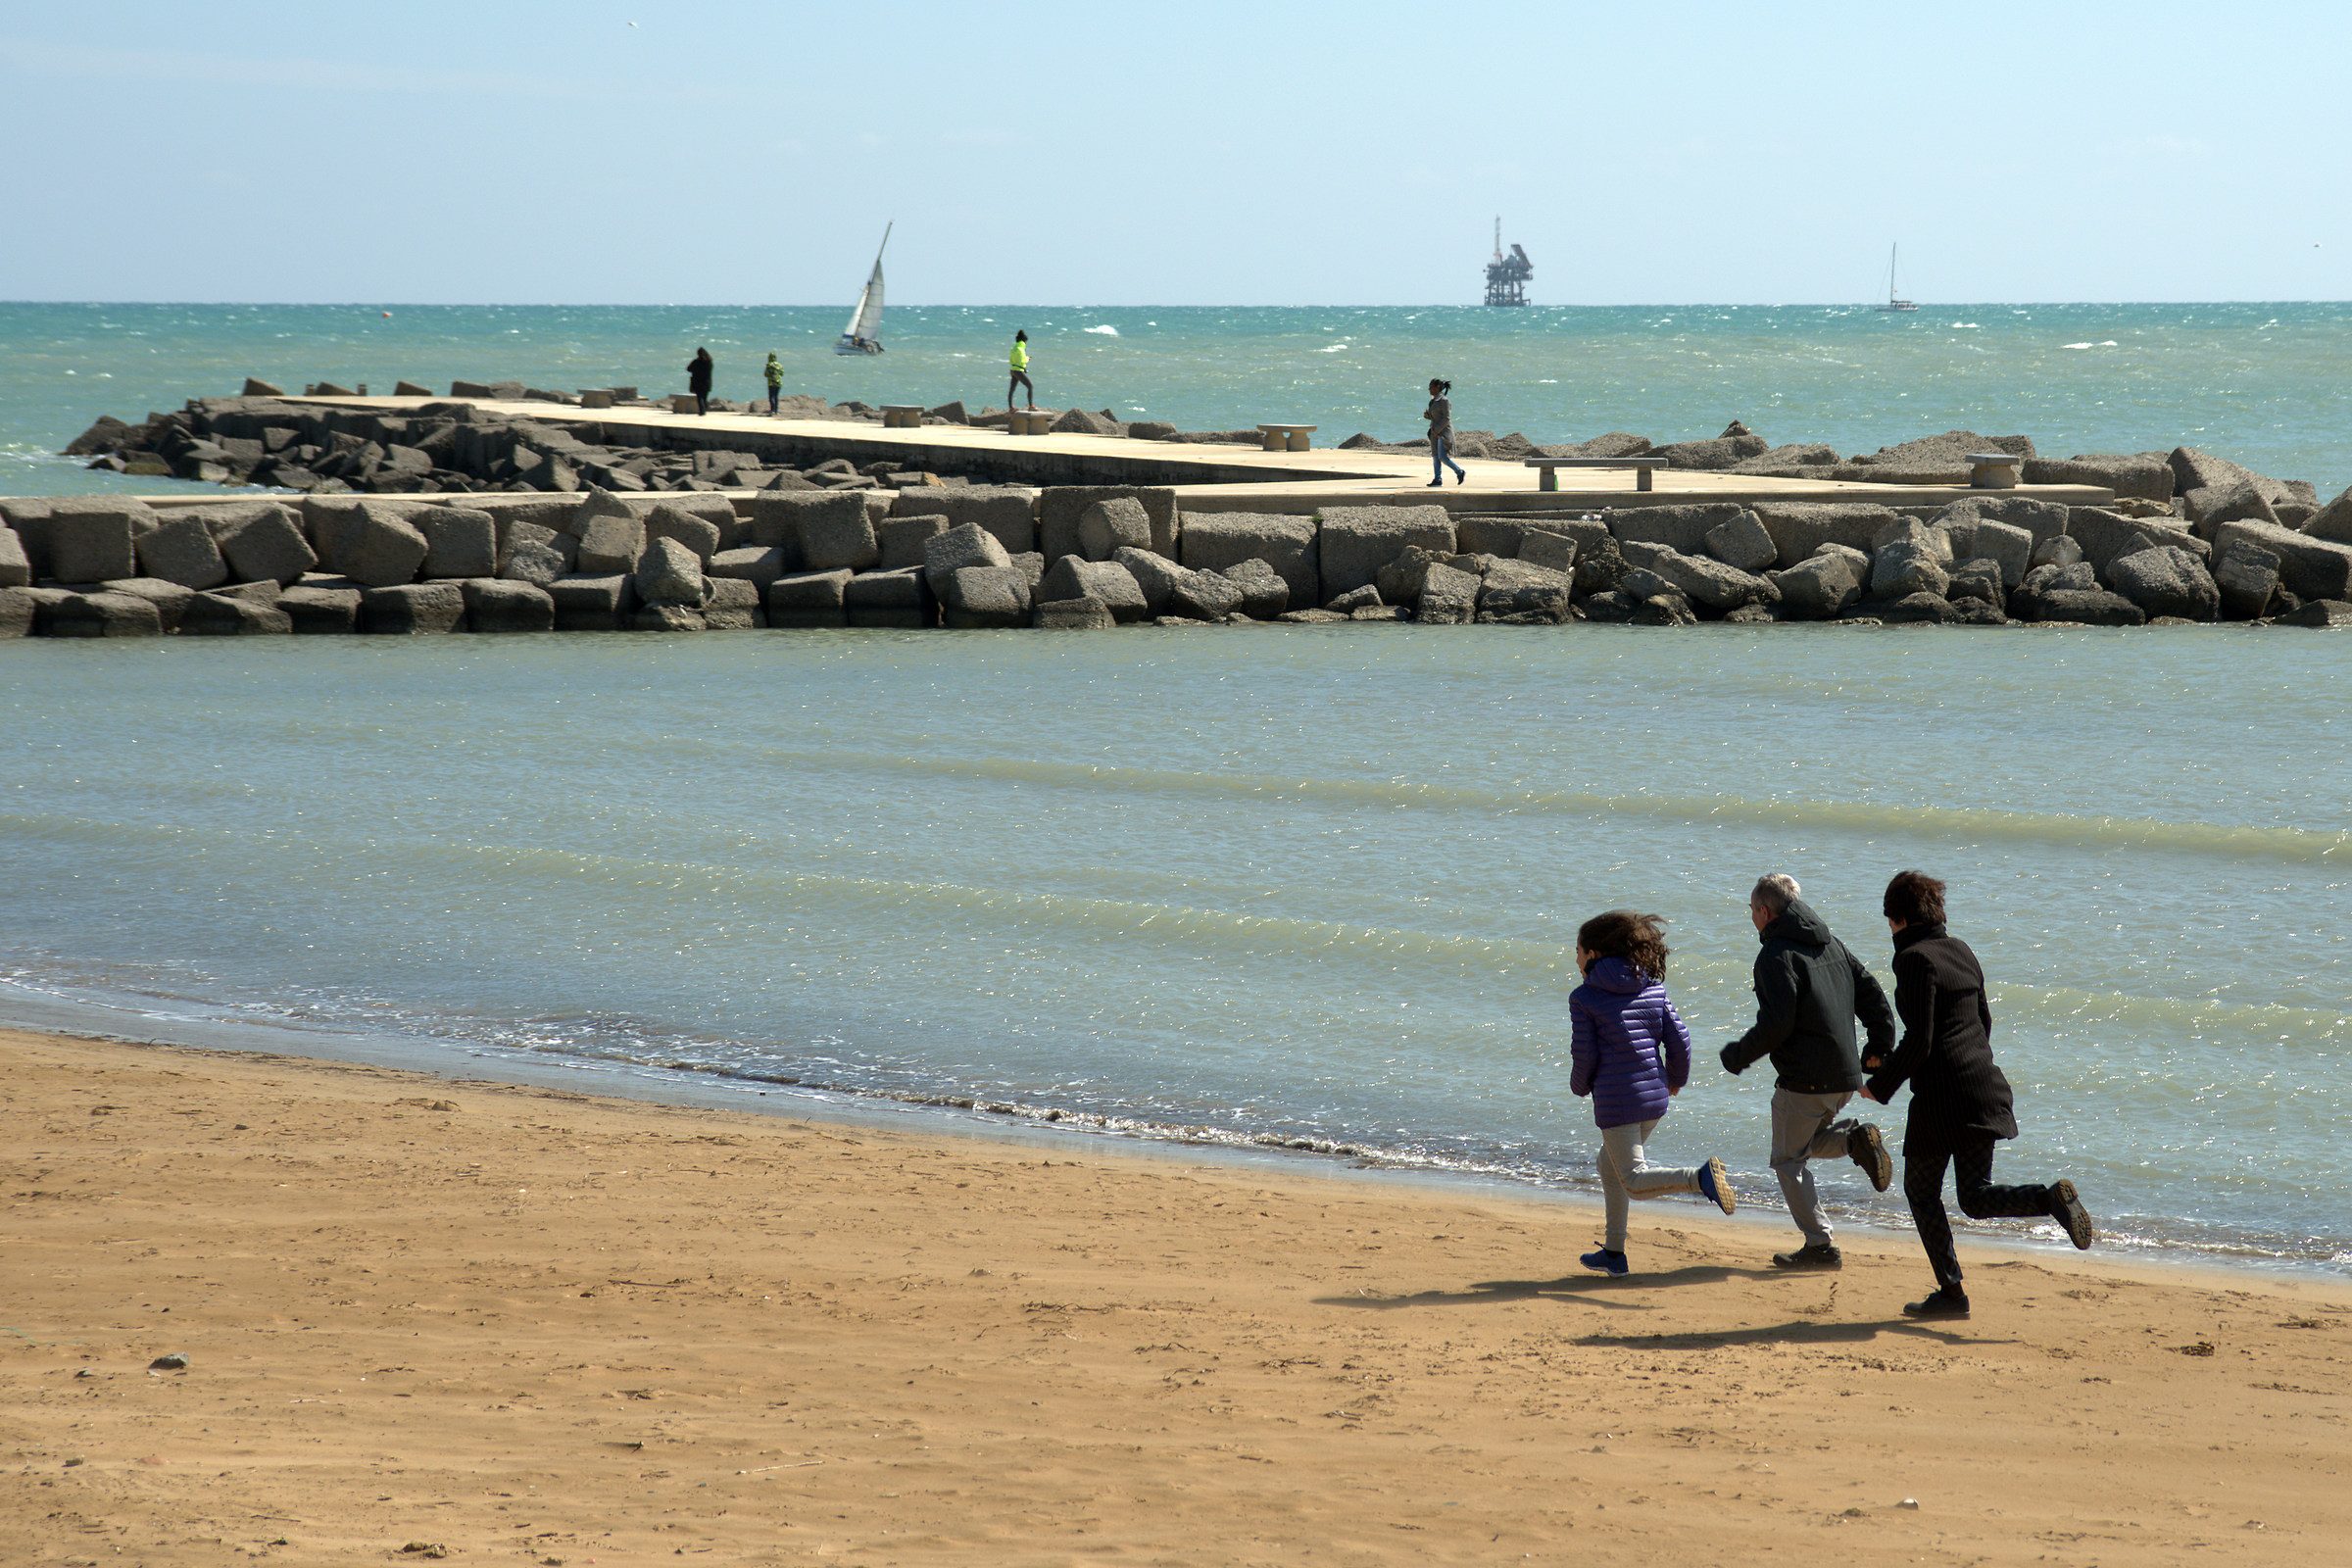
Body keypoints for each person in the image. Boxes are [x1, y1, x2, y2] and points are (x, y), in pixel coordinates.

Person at [1861, 870, 2095, 1320]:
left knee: (1921, 1192)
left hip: (1941, 1100)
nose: (1890, 929)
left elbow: (1921, 1039)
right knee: (1974, 1196)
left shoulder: (1912, 958)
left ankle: (1952, 1294)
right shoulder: (1961, 951)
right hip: (1983, 1085)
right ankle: (2048, 1199)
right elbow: (1982, 1023)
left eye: (1890, 920)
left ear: (1900, 919)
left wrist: (1880, 1084)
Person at [1719, 873, 1897, 1271]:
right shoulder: (1831, 943)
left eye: (1751, 910)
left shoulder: (1775, 954)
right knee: (1807, 1141)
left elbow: (1777, 1024)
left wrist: (1738, 1055)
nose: (1751, 917)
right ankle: (1854, 1140)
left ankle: (1820, 1245)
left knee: (1788, 1160)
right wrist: (1878, 1047)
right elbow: (1873, 994)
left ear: (1764, 911)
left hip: (1805, 1080)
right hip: (1844, 1078)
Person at [1569, 909, 1736, 1277]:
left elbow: (1585, 1055)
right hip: (1655, 1100)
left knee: (1632, 1180)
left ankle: (1699, 1178)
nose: (1576, 960)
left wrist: (1579, 1086)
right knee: (1608, 1165)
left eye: (1577, 952)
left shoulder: (1584, 997)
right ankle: (1614, 1253)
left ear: (1593, 954)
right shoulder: (1652, 987)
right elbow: (1680, 1040)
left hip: (1618, 1105)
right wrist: (1675, 1079)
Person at [1424, 378, 1466, 487]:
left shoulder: (1444, 401)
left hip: (1443, 432)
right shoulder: (1433, 401)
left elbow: (1446, 418)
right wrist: (1428, 417)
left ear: (1437, 387)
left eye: (1431, 387)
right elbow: (1436, 417)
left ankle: (1459, 472)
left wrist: (1437, 430)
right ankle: (1437, 479)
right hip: (1434, 432)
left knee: (1442, 457)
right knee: (1435, 456)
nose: (1429, 389)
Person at [1008, 330, 1035, 410]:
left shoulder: (1014, 348)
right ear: (1024, 341)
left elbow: (1011, 360)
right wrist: (1028, 358)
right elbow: (1022, 361)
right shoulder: (1021, 349)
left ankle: (1011, 407)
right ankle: (1031, 406)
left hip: (1013, 370)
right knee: (1030, 386)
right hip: (1019, 370)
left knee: (1012, 390)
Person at [687, 347, 713, 416]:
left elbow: (688, 369)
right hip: (707, 382)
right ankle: (704, 409)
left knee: (699, 397)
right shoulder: (709, 362)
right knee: (704, 397)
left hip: (697, 381)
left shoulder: (696, 362)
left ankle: (702, 411)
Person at [763, 352, 783, 416]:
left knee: (771, 397)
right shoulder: (779, 365)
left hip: (771, 383)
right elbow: (782, 374)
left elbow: (766, 374)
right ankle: (776, 410)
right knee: (776, 397)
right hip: (779, 383)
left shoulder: (769, 365)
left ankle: (772, 410)